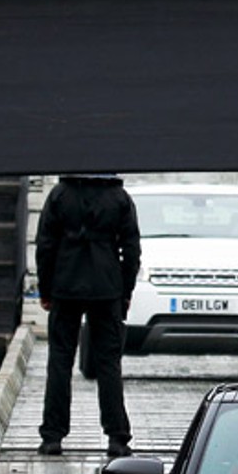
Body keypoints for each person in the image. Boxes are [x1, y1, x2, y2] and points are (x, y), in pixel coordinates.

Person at [34, 173, 142, 457]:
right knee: (108, 362)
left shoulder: (59, 194)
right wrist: (126, 291)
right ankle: (117, 437)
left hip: (65, 284)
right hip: (106, 286)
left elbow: (45, 244)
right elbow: (131, 249)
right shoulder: (120, 197)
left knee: (60, 359)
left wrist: (45, 288)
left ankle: (52, 436)